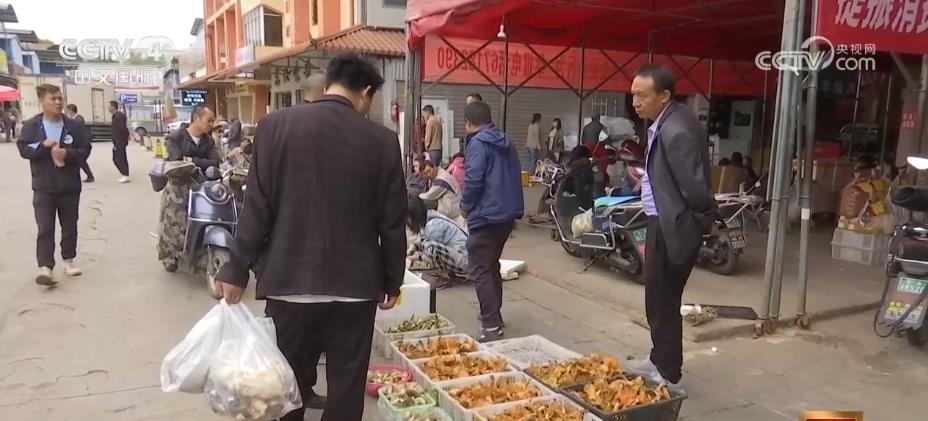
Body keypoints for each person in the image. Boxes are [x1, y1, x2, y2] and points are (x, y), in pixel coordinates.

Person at [215, 53, 406, 421]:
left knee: (286, 385)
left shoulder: (274, 126)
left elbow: (257, 207)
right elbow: (392, 222)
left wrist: (235, 269)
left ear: (329, 82)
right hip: (355, 289)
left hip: (289, 284)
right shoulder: (382, 140)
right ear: (366, 92)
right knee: (346, 386)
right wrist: (391, 280)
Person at [626, 63, 716, 387]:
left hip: (671, 225)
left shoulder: (676, 129)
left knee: (663, 300)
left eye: (642, 96)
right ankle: (658, 358)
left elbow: (695, 187)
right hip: (662, 220)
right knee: (658, 298)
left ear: (664, 95)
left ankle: (667, 372)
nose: (635, 102)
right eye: (633, 95)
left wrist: (699, 222)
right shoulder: (667, 120)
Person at [460, 100, 524, 342]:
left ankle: (491, 325)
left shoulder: (478, 143)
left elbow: (474, 180)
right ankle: (494, 315)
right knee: (490, 264)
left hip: (486, 214)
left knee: (479, 268)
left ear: (468, 123)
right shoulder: (505, 140)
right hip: (506, 214)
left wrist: (465, 208)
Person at [17, 84, 90, 286]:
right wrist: (42, 146)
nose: (58, 102)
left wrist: (68, 154)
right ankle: (46, 268)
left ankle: (68, 260)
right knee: (45, 228)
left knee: (70, 225)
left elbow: (85, 149)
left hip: (69, 186)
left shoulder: (74, 126)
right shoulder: (32, 126)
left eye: (60, 98)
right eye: (53, 99)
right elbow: (24, 149)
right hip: (44, 186)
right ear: (42, 101)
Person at [157, 105, 222, 271]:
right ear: (196, 118)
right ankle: (169, 254)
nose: (211, 124)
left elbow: (215, 162)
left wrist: (192, 160)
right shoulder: (176, 137)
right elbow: (177, 160)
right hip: (178, 185)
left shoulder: (208, 141)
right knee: (174, 221)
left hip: (201, 185)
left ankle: (201, 249)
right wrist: (197, 161)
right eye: (209, 120)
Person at [406, 195, 469, 287]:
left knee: (430, 247)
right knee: (427, 245)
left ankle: (445, 277)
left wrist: (417, 257)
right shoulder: (430, 217)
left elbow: (430, 250)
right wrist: (411, 250)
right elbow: (422, 239)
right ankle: (447, 274)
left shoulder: (432, 226)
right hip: (462, 256)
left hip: (465, 262)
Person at [419, 160, 466, 231]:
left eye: (429, 171)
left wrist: (415, 197)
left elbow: (429, 196)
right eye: (425, 174)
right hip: (450, 208)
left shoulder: (442, 179)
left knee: (424, 202)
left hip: (453, 212)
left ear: (434, 167)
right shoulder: (437, 176)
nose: (428, 175)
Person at [65, 104, 95, 183]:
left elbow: (78, 133)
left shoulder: (78, 120)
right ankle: (89, 176)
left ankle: (90, 176)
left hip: (83, 145)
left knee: (80, 161)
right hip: (82, 145)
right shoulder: (77, 119)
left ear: (71, 111)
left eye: (67, 111)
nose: (67, 113)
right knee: (80, 161)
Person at [109, 101, 130, 183]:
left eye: (109, 106)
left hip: (120, 141)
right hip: (118, 141)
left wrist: (126, 136)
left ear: (113, 107)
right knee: (117, 158)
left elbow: (122, 128)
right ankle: (124, 173)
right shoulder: (116, 116)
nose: (108, 108)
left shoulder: (118, 116)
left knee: (119, 158)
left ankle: (125, 174)